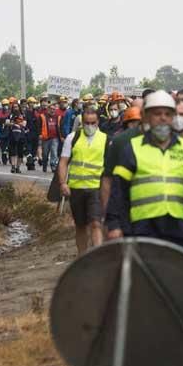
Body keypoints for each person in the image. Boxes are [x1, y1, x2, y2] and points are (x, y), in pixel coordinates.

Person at [106, 90, 183, 249]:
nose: (163, 118)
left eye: (167, 114)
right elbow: (118, 190)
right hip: (142, 228)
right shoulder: (132, 148)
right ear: (146, 117)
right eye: (157, 114)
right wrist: (114, 224)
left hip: (178, 228)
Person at [57, 107, 109, 255]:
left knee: (95, 223)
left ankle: (97, 256)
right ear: (81, 121)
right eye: (87, 123)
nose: (90, 126)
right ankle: (82, 256)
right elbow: (63, 162)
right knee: (80, 226)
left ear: (98, 122)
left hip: (96, 189)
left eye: (93, 123)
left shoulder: (105, 139)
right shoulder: (72, 138)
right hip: (76, 189)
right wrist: (62, 183)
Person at [100, 106, 144, 218]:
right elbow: (107, 178)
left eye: (138, 123)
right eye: (133, 123)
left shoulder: (118, 140)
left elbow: (106, 178)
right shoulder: (118, 141)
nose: (135, 126)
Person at [39, 104, 61, 173]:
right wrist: (40, 134)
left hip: (55, 138)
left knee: (54, 152)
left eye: (54, 109)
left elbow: (60, 126)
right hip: (45, 138)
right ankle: (44, 164)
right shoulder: (43, 116)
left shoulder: (58, 117)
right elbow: (39, 126)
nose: (52, 110)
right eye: (51, 109)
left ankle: (53, 165)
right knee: (45, 153)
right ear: (48, 109)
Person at [24, 97, 39, 170]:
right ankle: (29, 163)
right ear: (28, 103)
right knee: (28, 148)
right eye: (31, 103)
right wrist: (26, 130)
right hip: (28, 133)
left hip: (35, 133)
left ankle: (32, 163)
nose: (32, 104)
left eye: (34, 103)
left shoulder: (36, 112)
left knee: (34, 149)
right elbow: (24, 122)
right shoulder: (25, 112)